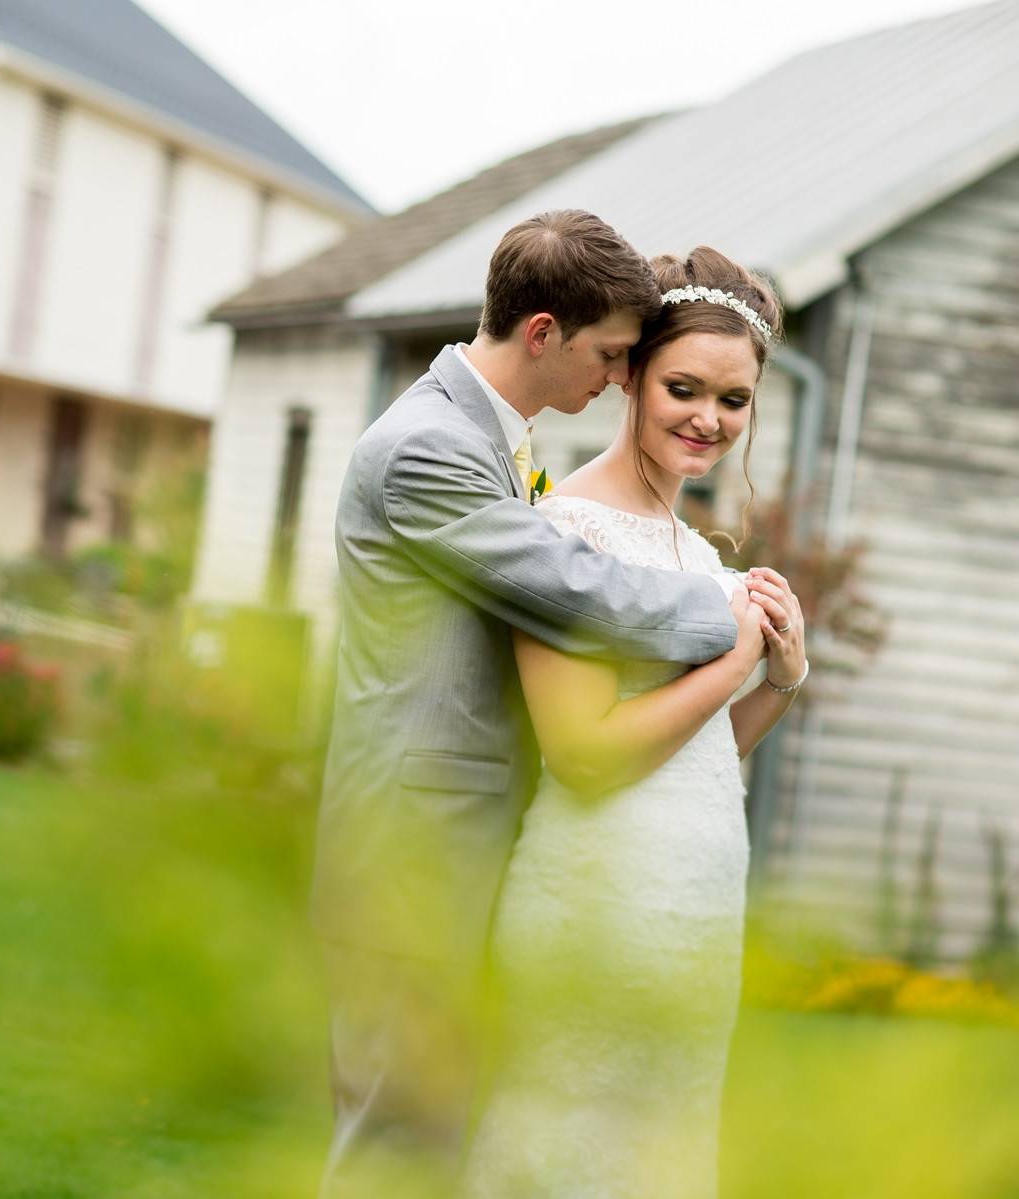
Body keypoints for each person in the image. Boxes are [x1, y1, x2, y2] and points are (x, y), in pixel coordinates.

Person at [313, 211, 777, 1196]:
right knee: (391, 1152)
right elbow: (578, 586)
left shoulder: (492, 443)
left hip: (488, 847)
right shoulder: (430, 450)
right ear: (542, 332)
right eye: (616, 355)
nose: (616, 376)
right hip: (417, 854)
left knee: (432, 1142)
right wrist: (734, 622)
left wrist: (773, 666)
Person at [460, 247, 803, 1199]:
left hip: (695, 904)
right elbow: (584, 757)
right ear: (631, 377)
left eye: (733, 401)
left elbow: (694, 755)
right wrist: (734, 659)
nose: (709, 419)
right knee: (564, 1151)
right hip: (594, 898)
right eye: (684, 387)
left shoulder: (698, 550)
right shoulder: (564, 529)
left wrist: (779, 681)